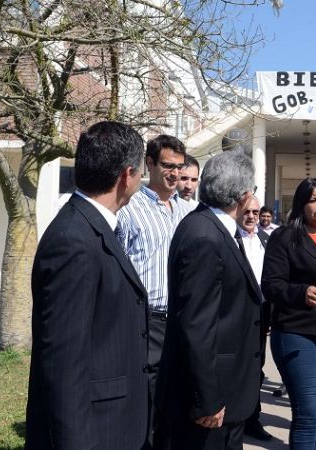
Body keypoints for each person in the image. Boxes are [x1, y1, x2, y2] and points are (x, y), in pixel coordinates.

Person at [26, 121, 149, 449]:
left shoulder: (94, 228)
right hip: (94, 432)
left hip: (114, 424)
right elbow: (63, 365)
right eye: (141, 172)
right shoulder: (74, 241)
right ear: (126, 176)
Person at [156, 151, 262, 450]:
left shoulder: (214, 228)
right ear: (244, 195)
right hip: (210, 402)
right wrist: (208, 400)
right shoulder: (205, 235)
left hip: (225, 395)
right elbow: (196, 324)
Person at [116, 134, 193, 445]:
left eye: (179, 167)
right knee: (147, 398)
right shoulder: (129, 209)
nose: (174, 173)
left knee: (175, 402)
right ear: (149, 164)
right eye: (167, 166)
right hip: (146, 319)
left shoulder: (188, 212)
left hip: (181, 320)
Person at [261, 177, 316, 450]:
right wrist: (301, 292)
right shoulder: (285, 237)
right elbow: (271, 285)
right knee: (308, 413)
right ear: (301, 204)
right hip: (295, 333)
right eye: (313, 200)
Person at [237, 195, 274, 442]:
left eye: (256, 212)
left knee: (256, 368)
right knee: (237, 368)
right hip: (237, 314)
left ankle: (252, 418)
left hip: (260, 314)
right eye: (248, 211)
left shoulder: (264, 240)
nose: (252, 217)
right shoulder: (230, 238)